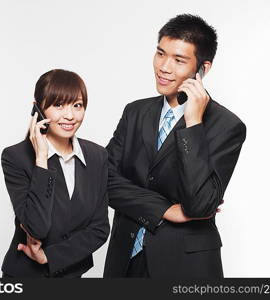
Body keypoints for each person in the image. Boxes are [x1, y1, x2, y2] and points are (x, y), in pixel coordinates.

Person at [103, 14, 246, 278]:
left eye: (179, 60)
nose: (164, 67)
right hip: (125, 259)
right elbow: (104, 180)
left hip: (185, 266)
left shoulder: (227, 126)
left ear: (203, 68)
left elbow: (199, 205)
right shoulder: (135, 112)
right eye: (160, 54)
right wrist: (165, 210)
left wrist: (193, 124)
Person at [0, 69, 110, 278]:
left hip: (71, 274)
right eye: (58, 105)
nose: (69, 116)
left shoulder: (97, 156)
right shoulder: (16, 157)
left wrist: (51, 257)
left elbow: (100, 228)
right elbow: (37, 227)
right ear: (38, 109)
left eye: (77, 105)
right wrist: (42, 159)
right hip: (25, 276)